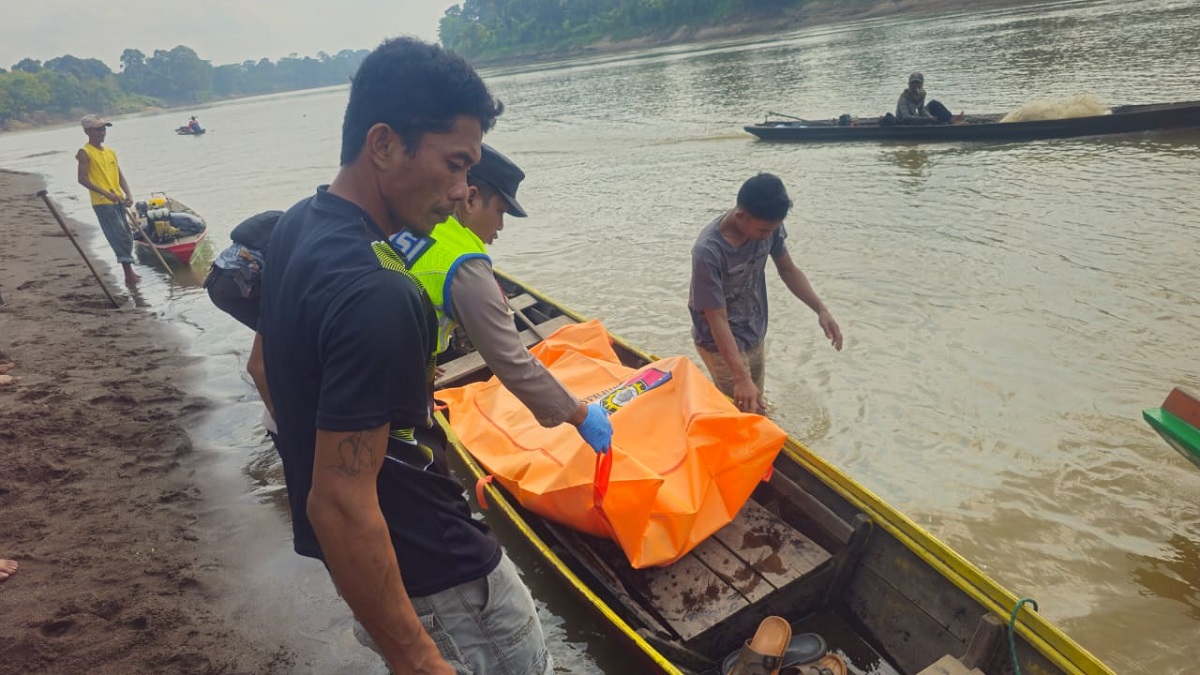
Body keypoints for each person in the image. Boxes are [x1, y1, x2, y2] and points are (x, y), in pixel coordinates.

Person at [256, 37, 550, 675]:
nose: (462, 191)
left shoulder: (296, 227)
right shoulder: (379, 294)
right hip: (441, 573)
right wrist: (416, 656)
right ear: (384, 144)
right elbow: (338, 503)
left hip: (380, 569)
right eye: (454, 164)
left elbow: (264, 368)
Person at [392, 143, 613, 452]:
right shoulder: (464, 265)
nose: (500, 227)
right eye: (500, 212)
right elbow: (512, 362)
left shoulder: (410, 219)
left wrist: (420, 352)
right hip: (386, 394)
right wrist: (581, 415)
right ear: (470, 198)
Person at [689, 173, 843, 415]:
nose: (769, 236)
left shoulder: (769, 225)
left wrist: (821, 309)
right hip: (718, 341)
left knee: (755, 400)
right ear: (741, 215)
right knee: (747, 411)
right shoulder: (708, 251)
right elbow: (715, 317)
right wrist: (740, 377)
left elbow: (788, 269)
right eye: (763, 230)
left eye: (773, 229)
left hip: (753, 329)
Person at [76, 114, 139, 285]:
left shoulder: (110, 152)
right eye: (98, 129)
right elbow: (82, 179)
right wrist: (105, 193)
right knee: (118, 235)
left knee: (127, 234)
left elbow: (119, 175)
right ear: (88, 131)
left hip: (117, 199)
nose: (102, 132)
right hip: (102, 202)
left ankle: (130, 270)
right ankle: (129, 274)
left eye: (103, 128)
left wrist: (129, 194)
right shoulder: (85, 152)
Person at [204, 210, 283, 331]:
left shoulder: (278, 220)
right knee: (273, 330)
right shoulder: (288, 230)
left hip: (215, 279)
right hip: (234, 284)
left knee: (268, 328)